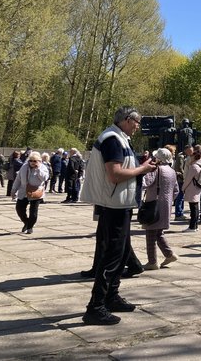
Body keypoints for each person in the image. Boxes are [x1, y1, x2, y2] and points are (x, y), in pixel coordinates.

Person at [79, 106, 157, 325]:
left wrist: (141, 165)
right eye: (137, 121)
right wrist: (142, 170)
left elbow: (123, 168)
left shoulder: (118, 138)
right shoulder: (112, 139)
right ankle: (96, 307)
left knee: (121, 254)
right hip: (113, 205)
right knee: (111, 257)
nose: (138, 126)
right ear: (126, 120)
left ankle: (111, 297)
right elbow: (115, 175)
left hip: (119, 204)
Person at [142, 148, 179, 269]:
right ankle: (169, 254)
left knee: (151, 231)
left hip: (153, 204)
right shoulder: (172, 171)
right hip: (166, 205)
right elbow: (176, 191)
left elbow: (145, 183)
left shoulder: (155, 169)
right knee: (158, 232)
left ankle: (152, 261)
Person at [11, 151, 49, 234]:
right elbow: (18, 179)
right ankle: (26, 222)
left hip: (36, 192)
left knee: (33, 212)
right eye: (30, 160)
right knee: (19, 209)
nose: (32, 162)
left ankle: (30, 227)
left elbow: (45, 178)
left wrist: (38, 169)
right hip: (23, 192)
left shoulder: (43, 167)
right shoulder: (24, 167)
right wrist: (13, 190)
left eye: (35, 161)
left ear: (39, 161)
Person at [182, 145, 201, 232]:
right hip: (198, 186)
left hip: (192, 187)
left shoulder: (194, 166)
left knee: (193, 208)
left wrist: (183, 188)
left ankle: (192, 226)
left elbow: (188, 179)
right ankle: (195, 225)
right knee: (196, 206)